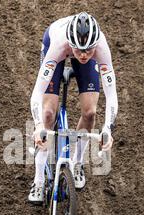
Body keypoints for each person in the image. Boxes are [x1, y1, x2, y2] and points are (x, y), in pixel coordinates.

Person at [28, 12, 118, 204]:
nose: (84, 55)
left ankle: (77, 164)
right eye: (79, 51)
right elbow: (37, 92)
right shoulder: (59, 44)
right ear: (71, 43)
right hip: (57, 48)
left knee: (90, 112)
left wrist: (108, 128)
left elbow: (111, 95)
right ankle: (38, 180)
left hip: (77, 47)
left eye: (89, 50)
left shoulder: (100, 46)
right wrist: (37, 126)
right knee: (48, 113)